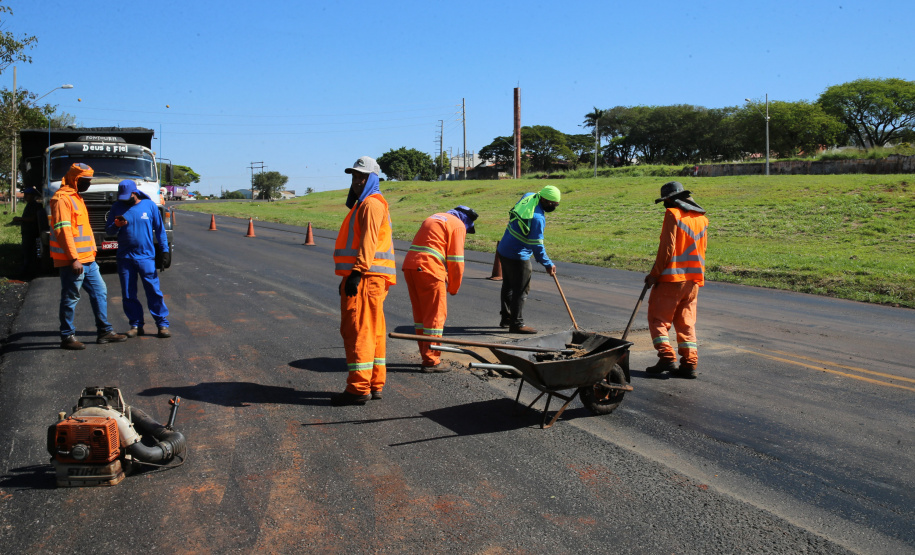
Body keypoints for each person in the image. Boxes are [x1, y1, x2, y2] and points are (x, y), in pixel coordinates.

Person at [331, 156, 396, 406]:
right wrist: (349, 276)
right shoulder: (369, 204)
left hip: (366, 278)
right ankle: (374, 383)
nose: (357, 181)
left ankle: (358, 388)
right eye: (354, 177)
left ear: (373, 179)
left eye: (362, 177)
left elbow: (368, 242)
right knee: (374, 332)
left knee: (358, 331)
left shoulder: (371, 205)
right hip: (370, 278)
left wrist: (356, 273)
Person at [50, 163, 127, 350]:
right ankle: (67, 337)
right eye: (86, 180)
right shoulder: (62, 199)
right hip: (73, 261)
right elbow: (63, 231)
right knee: (70, 298)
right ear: (75, 179)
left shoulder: (76, 197)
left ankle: (104, 332)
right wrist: (73, 258)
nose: (89, 184)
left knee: (100, 291)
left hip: (88, 260)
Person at [644, 181, 709, 379]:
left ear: (672, 199)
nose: (666, 204)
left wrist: (654, 275)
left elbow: (667, 249)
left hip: (671, 278)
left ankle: (666, 357)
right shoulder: (702, 220)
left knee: (658, 320)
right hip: (693, 281)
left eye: (666, 200)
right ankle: (689, 363)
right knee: (686, 323)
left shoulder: (673, 215)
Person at [402, 205, 478, 370]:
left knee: (422, 316)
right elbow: (456, 261)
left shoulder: (435, 217)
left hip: (410, 267)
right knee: (435, 317)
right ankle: (431, 361)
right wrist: (454, 287)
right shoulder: (457, 225)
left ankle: (426, 355)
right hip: (429, 270)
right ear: (466, 220)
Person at [105, 180, 171, 339]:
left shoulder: (149, 206)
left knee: (154, 291)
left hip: (146, 256)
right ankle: (135, 325)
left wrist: (164, 251)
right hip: (125, 258)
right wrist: (116, 224)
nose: (125, 199)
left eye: (127, 196)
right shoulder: (117, 207)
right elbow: (109, 232)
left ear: (135, 193)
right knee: (128, 293)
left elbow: (160, 230)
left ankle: (162, 324)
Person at [496, 185, 561, 334]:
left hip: (504, 248)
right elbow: (537, 246)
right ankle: (516, 324)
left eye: (556, 204)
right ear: (544, 199)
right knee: (521, 289)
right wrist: (548, 264)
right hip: (517, 255)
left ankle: (506, 318)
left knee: (508, 286)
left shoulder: (530, 196)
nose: (554, 207)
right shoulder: (537, 218)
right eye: (552, 204)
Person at [11, 187, 47, 279]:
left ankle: (28, 273)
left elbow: (33, 219)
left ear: (33, 196)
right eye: (25, 194)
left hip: (32, 234)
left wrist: (19, 219)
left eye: (28, 194)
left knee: (30, 253)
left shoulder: (35, 206)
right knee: (26, 253)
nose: (25, 196)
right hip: (27, 233)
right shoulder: (30, 205)